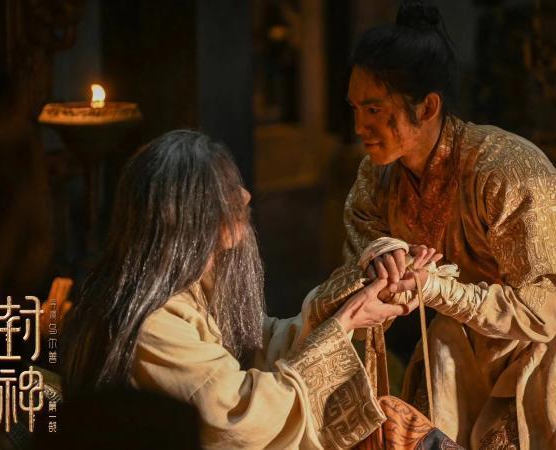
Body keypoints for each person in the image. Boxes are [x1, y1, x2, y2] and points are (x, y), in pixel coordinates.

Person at [335, 0, 556, 450]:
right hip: (458, 339)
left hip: (540, 347)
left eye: (374, 110)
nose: (359, 126)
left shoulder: (507, 170)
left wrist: (435, 288)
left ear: (427, 107)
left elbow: (542, 310)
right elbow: (360, 263)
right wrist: (384, 260)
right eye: (355, 108)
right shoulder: (376, 178)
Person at [62, 130, 420, 449]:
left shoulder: (193, 287)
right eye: (225, 189)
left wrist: (348, 304)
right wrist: (342, 324)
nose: (245, 196)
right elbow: (235, 416)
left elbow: (255, 343)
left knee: (395, 422)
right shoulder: (153, 323)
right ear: (185, 215)